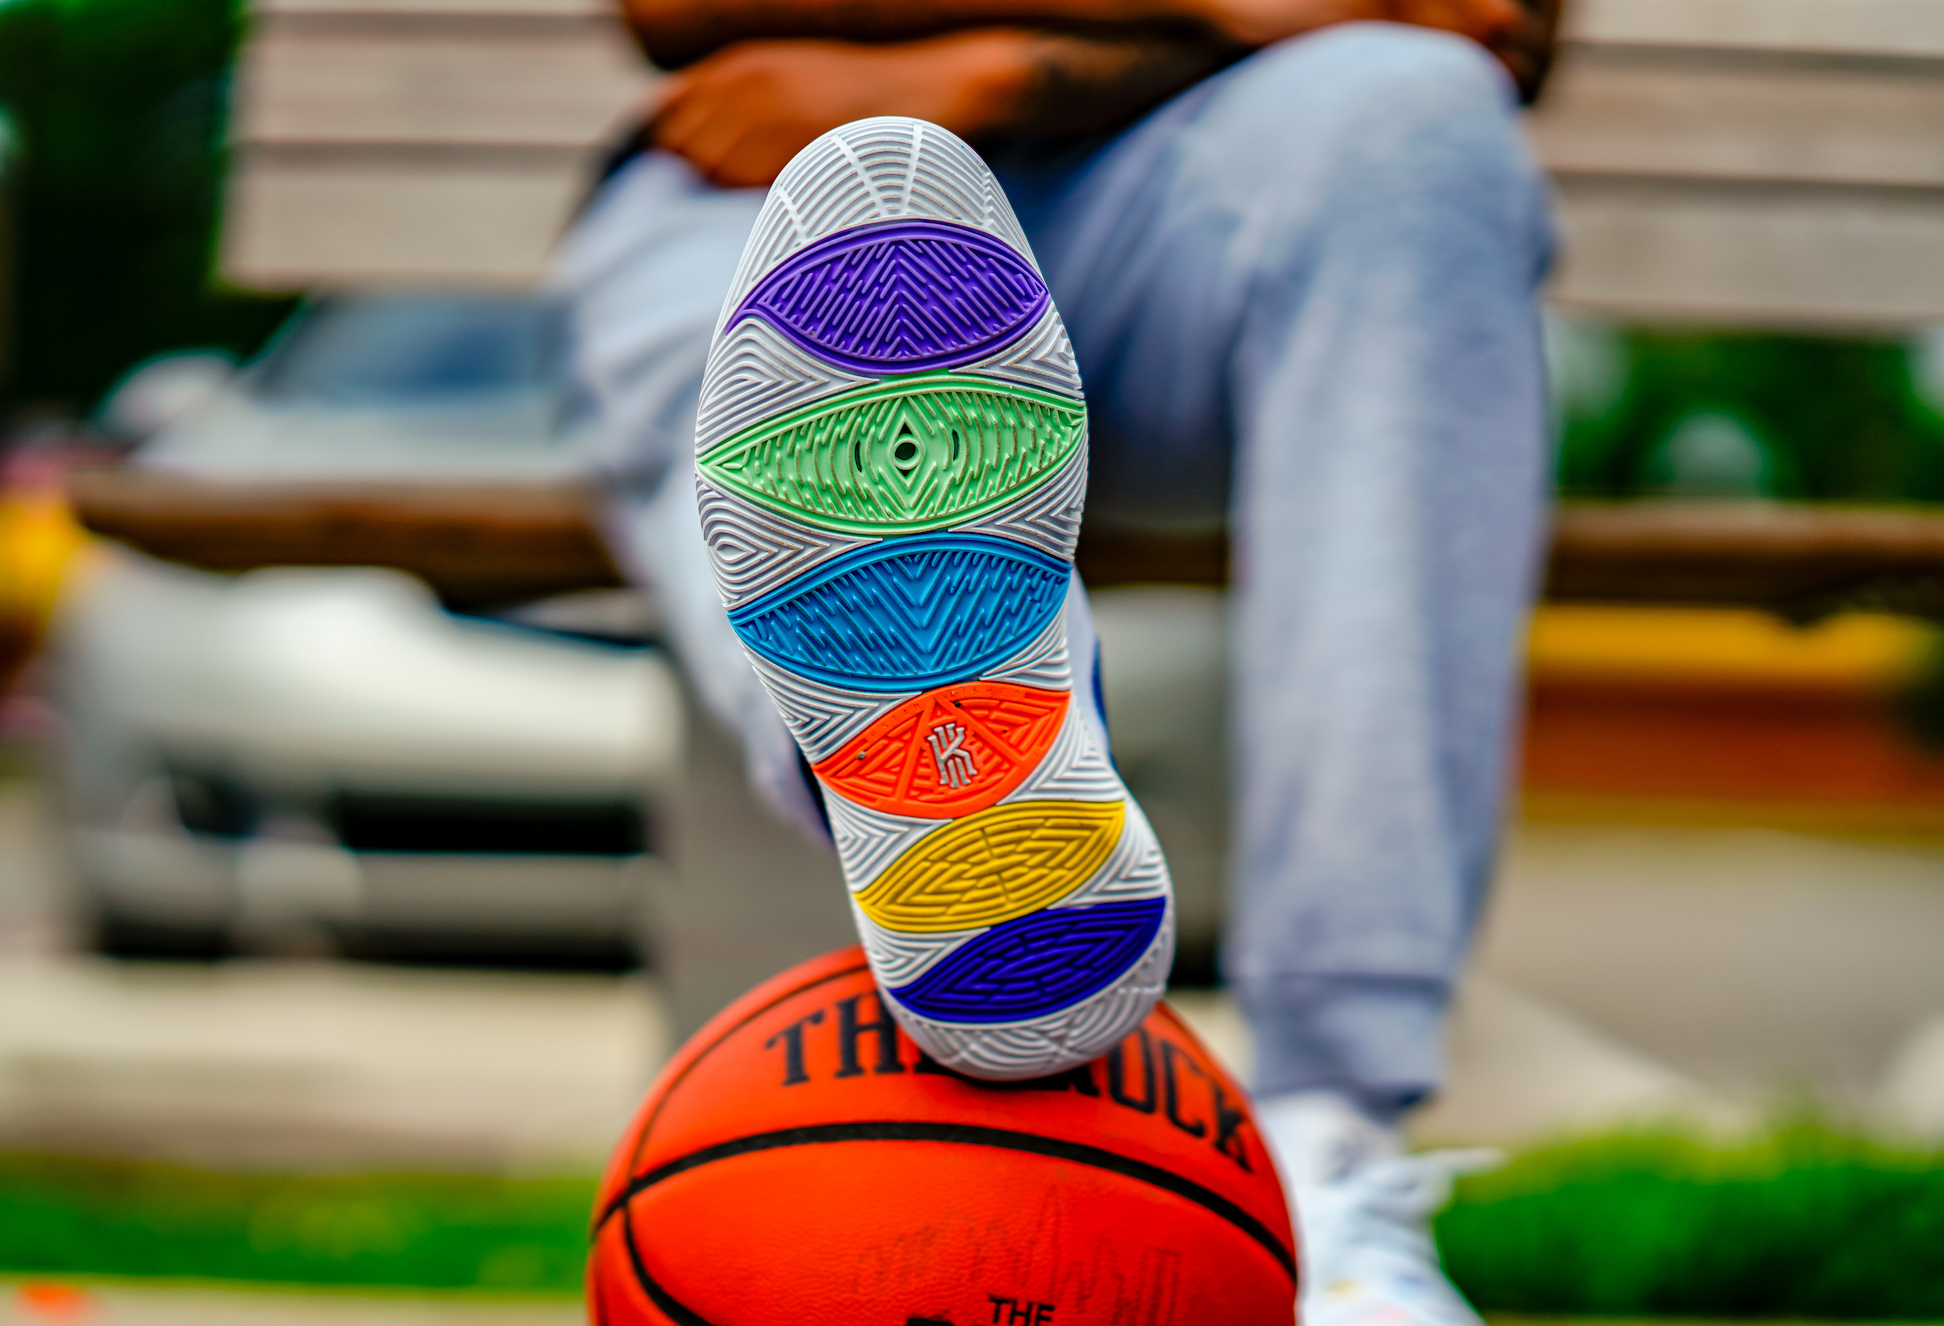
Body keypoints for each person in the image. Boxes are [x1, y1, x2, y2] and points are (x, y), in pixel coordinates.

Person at [551, 1, 1559, 1321]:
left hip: (1189, 191)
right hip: (772, 166)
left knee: (1419, 113)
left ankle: (1329, 1146)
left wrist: (990, 68)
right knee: (817, 286)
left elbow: (1491, 24)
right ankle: (937, 761)